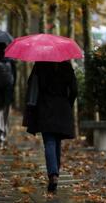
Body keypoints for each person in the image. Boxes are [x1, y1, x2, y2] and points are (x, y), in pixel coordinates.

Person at [23, 61, 77, 193]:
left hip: (45, 107)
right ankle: (55, 174)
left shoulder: (40, 65)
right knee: (57, 140)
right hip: (62, 106)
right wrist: (68, 103)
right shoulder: (66, 65)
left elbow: (32, 85)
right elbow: (74, 89)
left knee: (50, 141)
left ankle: (53, 174)